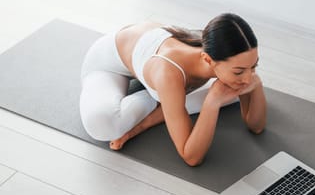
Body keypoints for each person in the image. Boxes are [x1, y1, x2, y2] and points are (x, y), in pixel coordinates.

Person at [79, 13, 266, 166]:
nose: (248, 77)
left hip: (146, 46)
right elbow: (191, 156)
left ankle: (168, 102)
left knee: (230, 90)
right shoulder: (168, 73)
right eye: (240, 71)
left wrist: (256, 85)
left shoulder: (225, 57)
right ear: (208, 60)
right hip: (107, 60)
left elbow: (256, 126)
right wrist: (211, 103)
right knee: (103, 126)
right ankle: (158, 98)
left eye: (254, 66)